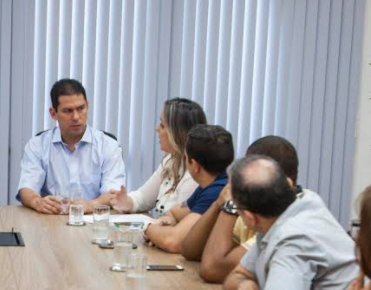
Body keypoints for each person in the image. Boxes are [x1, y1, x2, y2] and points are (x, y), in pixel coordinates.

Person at [223, 156, 358, 290]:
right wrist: (247, 287)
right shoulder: (288, 210)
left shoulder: (296, 236)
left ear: (248, 218)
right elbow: (237, 276)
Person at [181, 135, 300, 282]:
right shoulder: (256, 208)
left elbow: (212, 269)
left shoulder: (291, 220)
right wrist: (218, 203)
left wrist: (230, 204)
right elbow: (190, 250)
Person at [17, 78, 125, 213]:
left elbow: (114, 193)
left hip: (93, 220)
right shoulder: (37, 145)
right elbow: (27, 188)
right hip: (50, 221)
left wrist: (90, 205)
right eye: (68, 111)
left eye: (81, 108)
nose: (76, 117)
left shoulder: (108, 146)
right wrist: (37, 202)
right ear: (53, 113)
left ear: (88, 106)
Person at [142, 124, 233, 252]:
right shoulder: (210, 184)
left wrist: (148, 228)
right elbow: (173, 213)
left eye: (185, 157)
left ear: (194, 165)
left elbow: (172, 241)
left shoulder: (217, 192)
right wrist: (165, 224)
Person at [110, 97, 206, 215]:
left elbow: (175, 223)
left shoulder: (194, 176)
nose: (157, 129)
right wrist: (127, 202)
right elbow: (143, 197)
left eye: (162, 125)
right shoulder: (171, 160)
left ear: (177, 133)